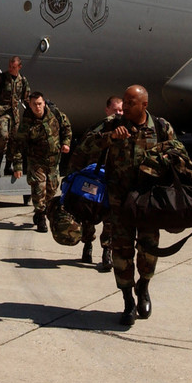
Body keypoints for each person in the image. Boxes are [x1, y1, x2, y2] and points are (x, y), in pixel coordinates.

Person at [83, 84, 179, 327]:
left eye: (130, 102)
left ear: (144, 105)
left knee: (148, 250)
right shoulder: (112, 124)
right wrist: (110, 138)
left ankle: (143, 287)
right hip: (119, 202)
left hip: (148, 201)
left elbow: (178, 152)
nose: (124, 106)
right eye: (123, 101)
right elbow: (86, 145)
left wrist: (163, 159)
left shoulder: (160, 127)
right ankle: (127, 300)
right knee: (121, 253)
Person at [69, 96, 123, 270]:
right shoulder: (97, 130)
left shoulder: (125, 131)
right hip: (93, 179)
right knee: (89, 215)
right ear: (107, 110)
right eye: (115, 110)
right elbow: (82, 151)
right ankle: (87, 244)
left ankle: (107, 251)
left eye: (121, 110)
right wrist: (73, 177)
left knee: (110, 219)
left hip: (112, 180)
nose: (118, 114)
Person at [11, 92, 72, 232]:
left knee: (51, 189)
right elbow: (18, 145)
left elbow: (67, 128)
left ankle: (42, 210)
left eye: (39, 104)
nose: (37, 107)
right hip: (36, 161)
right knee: (39, 188)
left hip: (53, 161)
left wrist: (66, 143)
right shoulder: (26, 123)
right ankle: (41, 216)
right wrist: (18, 166)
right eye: (34, 104)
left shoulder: (55, 114)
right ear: (30, 105)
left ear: (44, 103)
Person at [0, 55, 30, 171]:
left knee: (14, 140)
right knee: (3, 136)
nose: (10, 69)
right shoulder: (1, 78)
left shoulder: (22, 81)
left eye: (13, 67)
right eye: (9, 66)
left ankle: (8, 165)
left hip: (14, 114)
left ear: (19, 67)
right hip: (1, 112)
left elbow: (26, 98)